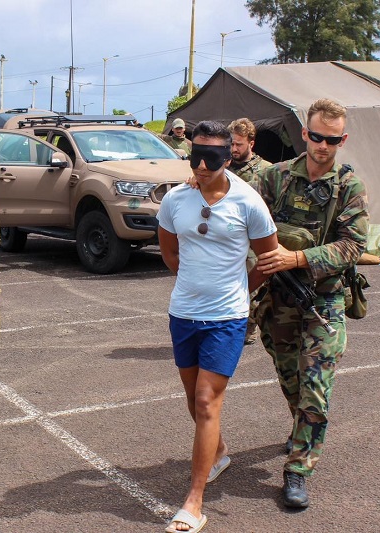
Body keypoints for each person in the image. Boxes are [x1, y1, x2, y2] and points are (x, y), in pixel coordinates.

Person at [157, 120, 278, 532]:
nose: (203, 165)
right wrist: (193, 283)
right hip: (183, 313)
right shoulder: (176, 199)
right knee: (193, 399)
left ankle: (194, 502)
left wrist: (241, 290)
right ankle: (220, 452)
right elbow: (170, 252)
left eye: (212, 157)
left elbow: (270, 257)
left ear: (229, 158)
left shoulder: (248, 202)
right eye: (196, 156)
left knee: (207, 401)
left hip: (227, 317)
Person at [253, 98, 369, 508]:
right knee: (291, 377)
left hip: (324, 298)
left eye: (332, 140)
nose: (323, 146)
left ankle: (299, 469)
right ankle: (301, 427)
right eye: (317, 136)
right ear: (305, 133)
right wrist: (203, 181)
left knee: (316, 386)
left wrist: (299, 258)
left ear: (343, 139)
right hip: (279, 296)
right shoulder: (276, 177)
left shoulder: (348, 186)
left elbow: (354, 246)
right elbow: (242, 215)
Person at [227, 118, 274, 345]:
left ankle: (249, 324)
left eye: (239, 144)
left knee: (252, 283)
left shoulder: (267, 171)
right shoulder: (222, 168)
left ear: (251, 144)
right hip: (227, 236)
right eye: (231, 144)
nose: (234, 149)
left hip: (254, 237)